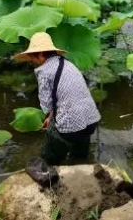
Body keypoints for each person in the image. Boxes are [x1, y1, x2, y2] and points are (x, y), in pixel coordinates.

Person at [14, 32, 101, 165]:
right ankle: (81, 166)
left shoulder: (43, 71)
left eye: (33, 59)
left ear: (41, 54)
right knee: (79, 158)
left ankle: (49, 174)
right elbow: (64, 96)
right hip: (90, 121)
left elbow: (46, 105)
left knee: (49, 158)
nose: (34, 63)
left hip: (71, 127)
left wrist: (48, 117)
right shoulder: (68, 64)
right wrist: (51, 117)